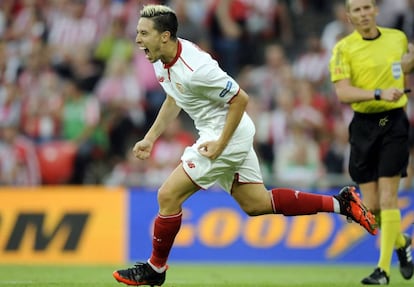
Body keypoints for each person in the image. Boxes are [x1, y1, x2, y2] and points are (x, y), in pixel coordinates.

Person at [112, 4, 377, 286]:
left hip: (226, 134)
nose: (137, 39)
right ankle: (342, 203)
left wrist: (219, 144)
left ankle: (156, 268)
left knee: (167, 196)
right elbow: (174, 97)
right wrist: (151, 137)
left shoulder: (198, 68)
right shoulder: (160, 60)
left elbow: (241, 98)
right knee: (256, 203)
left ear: (164, 35)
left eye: (143, 33)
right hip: (221, 133)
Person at [329, 0, 414, 284]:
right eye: (357, 10)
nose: (364, 13)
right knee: (373, 211)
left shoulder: (397, 38)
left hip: (394, 123)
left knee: (389, 197)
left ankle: (383, 271)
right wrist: (378, 93)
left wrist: (409, 65)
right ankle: (403, 243)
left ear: (376, 10)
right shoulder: (343, 48)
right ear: (349, 16)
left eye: (367, 7)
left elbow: (403, 71)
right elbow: (343, 93)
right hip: (364, 126)